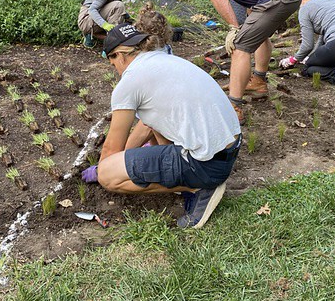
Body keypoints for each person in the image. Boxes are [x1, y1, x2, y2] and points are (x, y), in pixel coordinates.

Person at [82, 24, 241, 229]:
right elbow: (148, 124)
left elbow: (111, 148)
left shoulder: (130, 81)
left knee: (108, 175)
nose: (116, 70)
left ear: (119, 55)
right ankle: (188, 174)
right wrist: (128, 159)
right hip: (229, 149)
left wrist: (103, 170)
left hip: (207, 165)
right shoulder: (165, 59)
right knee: (150, 124)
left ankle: (198, 188)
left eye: (113, 63)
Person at [174, 0, 301, 123]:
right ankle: (258, 82)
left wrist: (234, 28)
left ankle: (233, 107)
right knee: (258, 34)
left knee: (240, 45)